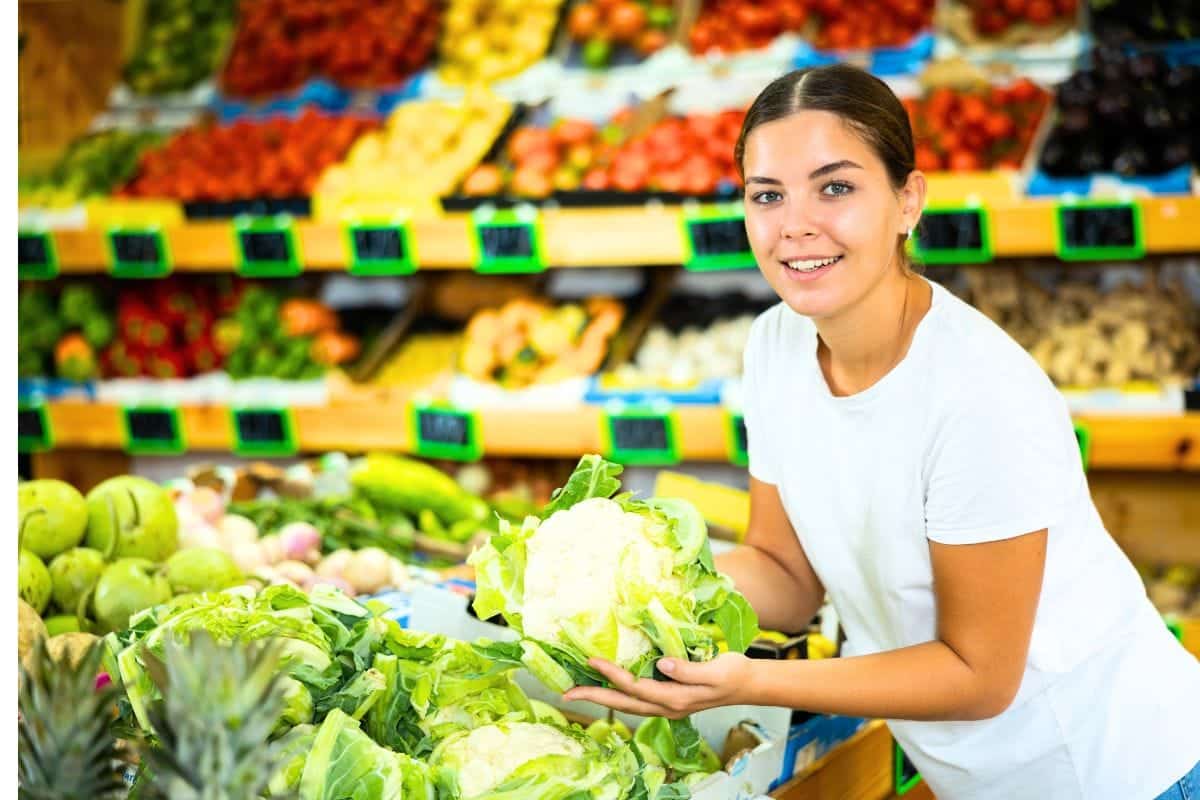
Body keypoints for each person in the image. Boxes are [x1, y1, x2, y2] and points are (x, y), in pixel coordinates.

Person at [563, 64, 1200, 799]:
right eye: (767, 195)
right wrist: (627, 579)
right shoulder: (776, 346)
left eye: (835, 187)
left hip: (1123, 770)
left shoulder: (978, 390)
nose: (796, 224)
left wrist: (753, 681)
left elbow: (979, 674)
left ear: (907, 201)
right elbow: (785, 574)